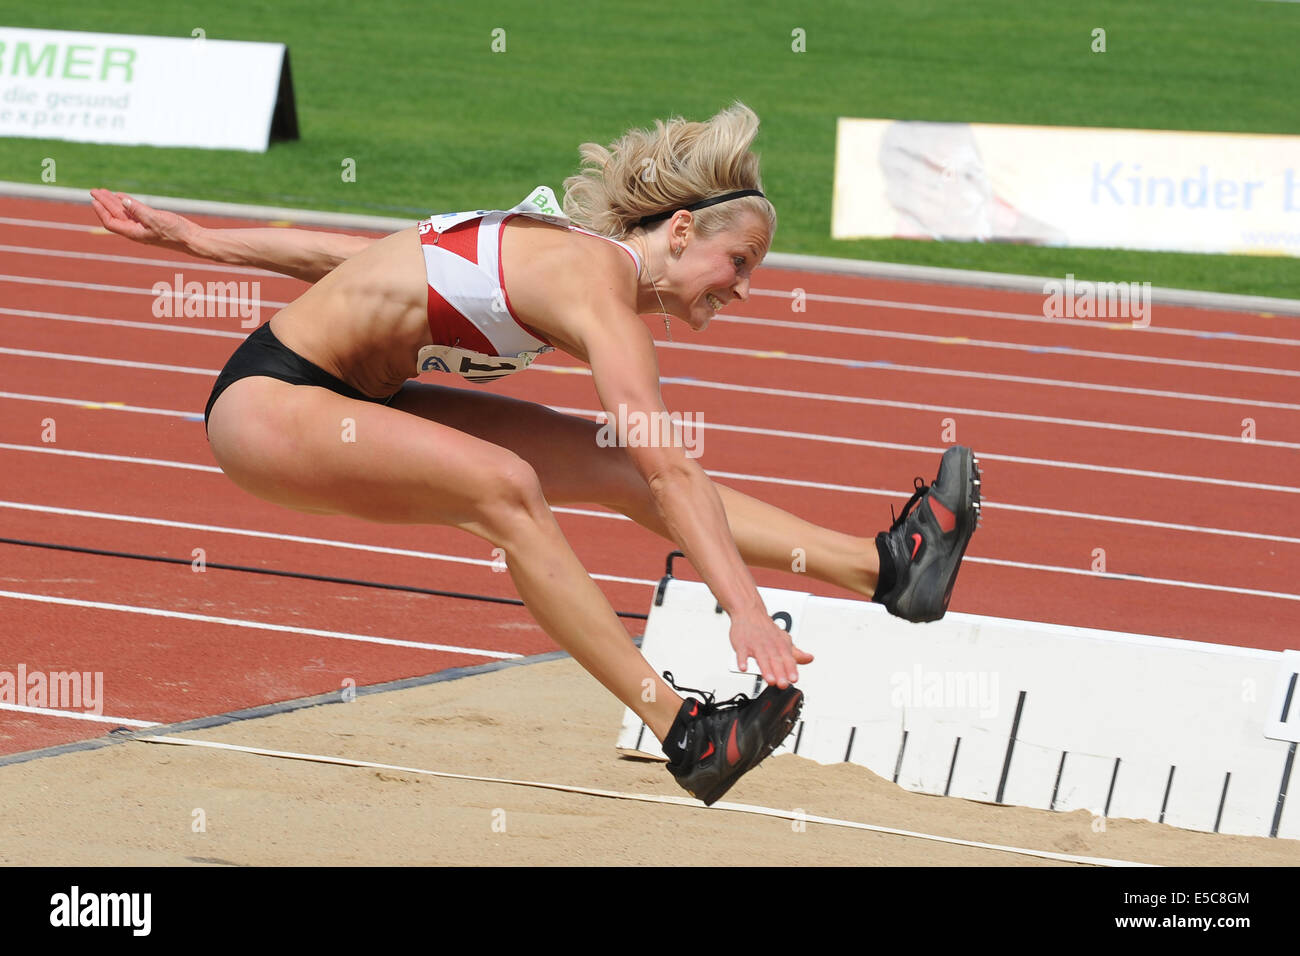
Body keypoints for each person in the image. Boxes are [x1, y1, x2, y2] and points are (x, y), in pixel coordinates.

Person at [89, 103, 980, 806]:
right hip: (270, 400)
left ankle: (891, 570)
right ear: (679, 232)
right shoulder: (595, 286)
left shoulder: (576, 266)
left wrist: (200, 239)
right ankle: (687, 735)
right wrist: (742, 609)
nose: (745, 289)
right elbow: (676, 469)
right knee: (508, 485)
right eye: (738, 262)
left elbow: (354, 259)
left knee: (612, 464)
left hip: (359, 397)